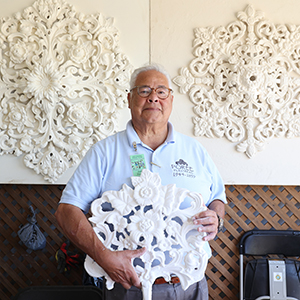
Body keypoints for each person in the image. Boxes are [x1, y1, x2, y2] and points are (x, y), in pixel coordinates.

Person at [55, 63, 226, 300]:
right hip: (127, 287)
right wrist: (104, 257)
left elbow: (217, 198)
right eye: (144, 91)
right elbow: (66, 211)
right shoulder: (105, 152)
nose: (153, 98)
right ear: (129, 98)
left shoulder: (194, 150)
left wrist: (216, 217)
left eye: (161, 91)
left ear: (171, 100)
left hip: (190, 284)